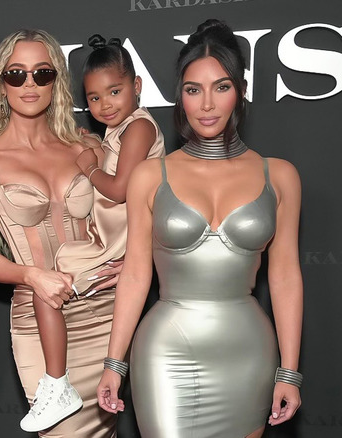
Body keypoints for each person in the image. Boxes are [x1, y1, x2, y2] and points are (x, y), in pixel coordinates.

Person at [96, 19, 303, 437]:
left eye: (221, 87)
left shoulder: (279, 176)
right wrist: (114, 362)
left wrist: (290, 370)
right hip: (166, 352)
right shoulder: (149, 176)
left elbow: (284, 277)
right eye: (193, 90)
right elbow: (136, 275)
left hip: (248, 351)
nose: (207, 104)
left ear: (240, 91)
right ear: (180, 98)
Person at [0, 29, 120, 437]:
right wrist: (31, 275)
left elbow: (126, 222)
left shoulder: (88, 148)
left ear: (56, 82)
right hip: (38, 317)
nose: (29, 84)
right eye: (16, 74)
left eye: (41, 73)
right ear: (0, 84)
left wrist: (132, 264)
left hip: (104, 312)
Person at [55, 34, 165, 295]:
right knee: (59, 266)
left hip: (128, 237)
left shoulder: (139, 127)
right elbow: (113, 163)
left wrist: (90, 168)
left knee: (61, 271)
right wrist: (93, 143)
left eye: (115, 92)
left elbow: (119, 190)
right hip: (108, 232)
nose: (105, 105)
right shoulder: (118, 129)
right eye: (94, 98)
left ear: (136, 85)